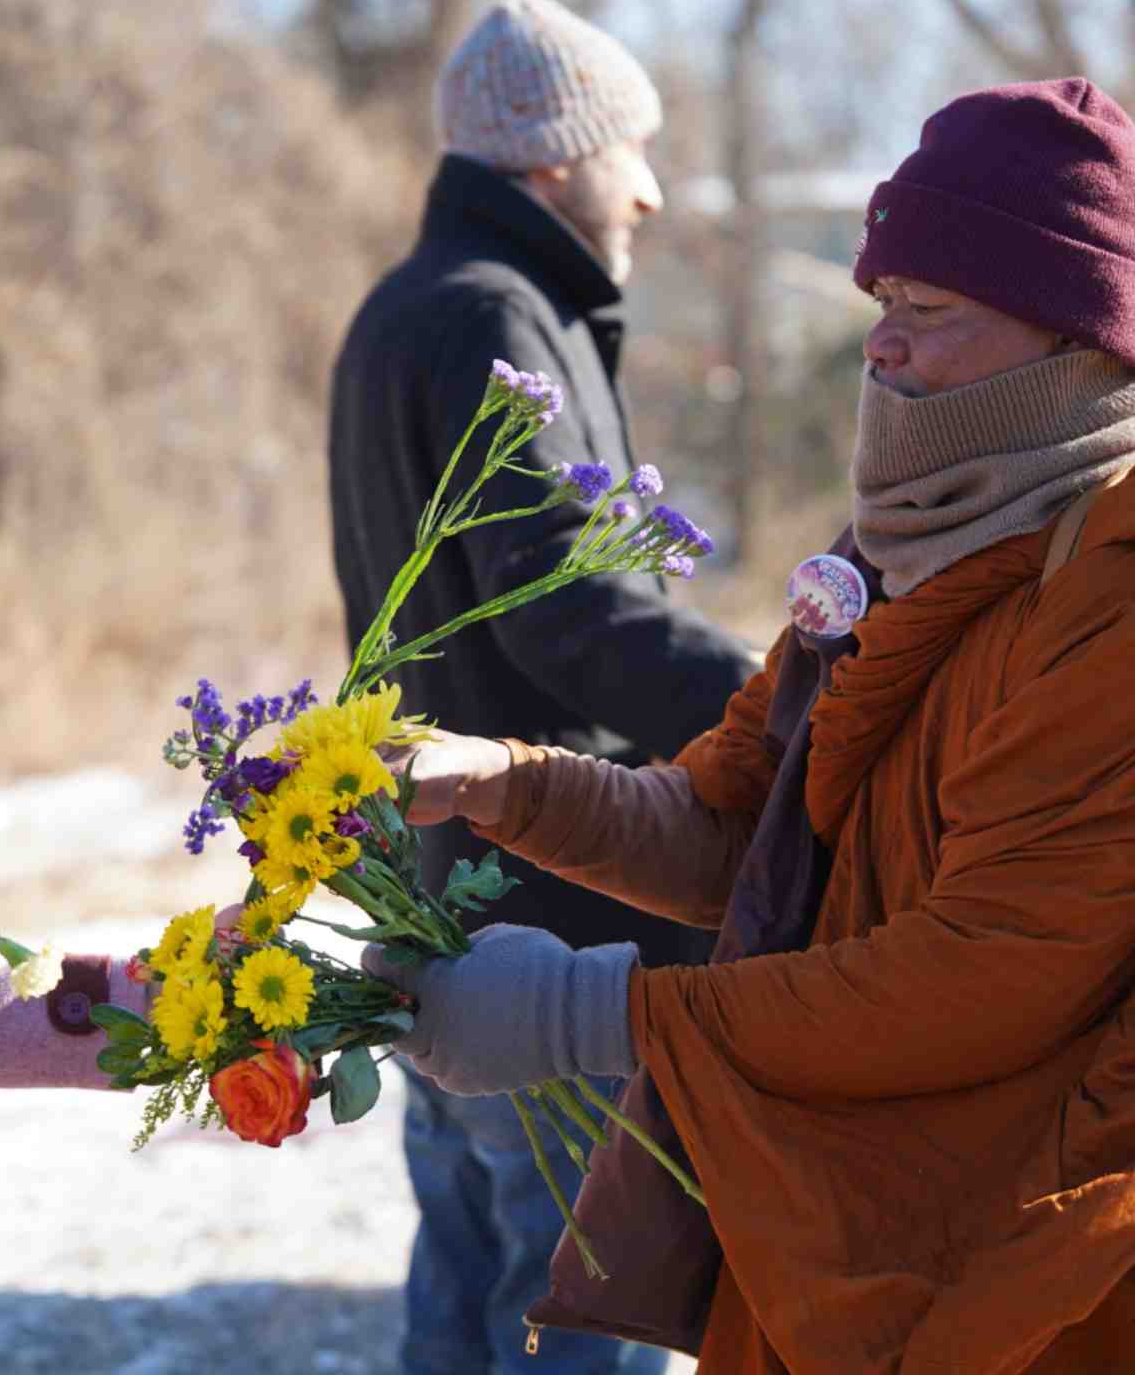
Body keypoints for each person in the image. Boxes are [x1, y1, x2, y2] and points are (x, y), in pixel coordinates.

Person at [364, 75, 1135, 1373]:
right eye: (880, 304)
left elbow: (986, 975)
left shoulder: (1106, 591)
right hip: (847, 1223)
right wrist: (493, 782)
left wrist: (588, 1015)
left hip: (1029, 1279)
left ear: (1077, 338)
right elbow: (741, 820)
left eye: (927, 310)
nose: (881, 346)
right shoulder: (902, 552)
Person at [330, 0, 757, 1375]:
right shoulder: (497, 316)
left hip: (440, 890)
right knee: (583, 1308)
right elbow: (568, 612)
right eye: (630, 147)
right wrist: (773, 714)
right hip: (547, 919)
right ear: (551, 156)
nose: (648, 184)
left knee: (464, 1283)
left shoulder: (410, 306)